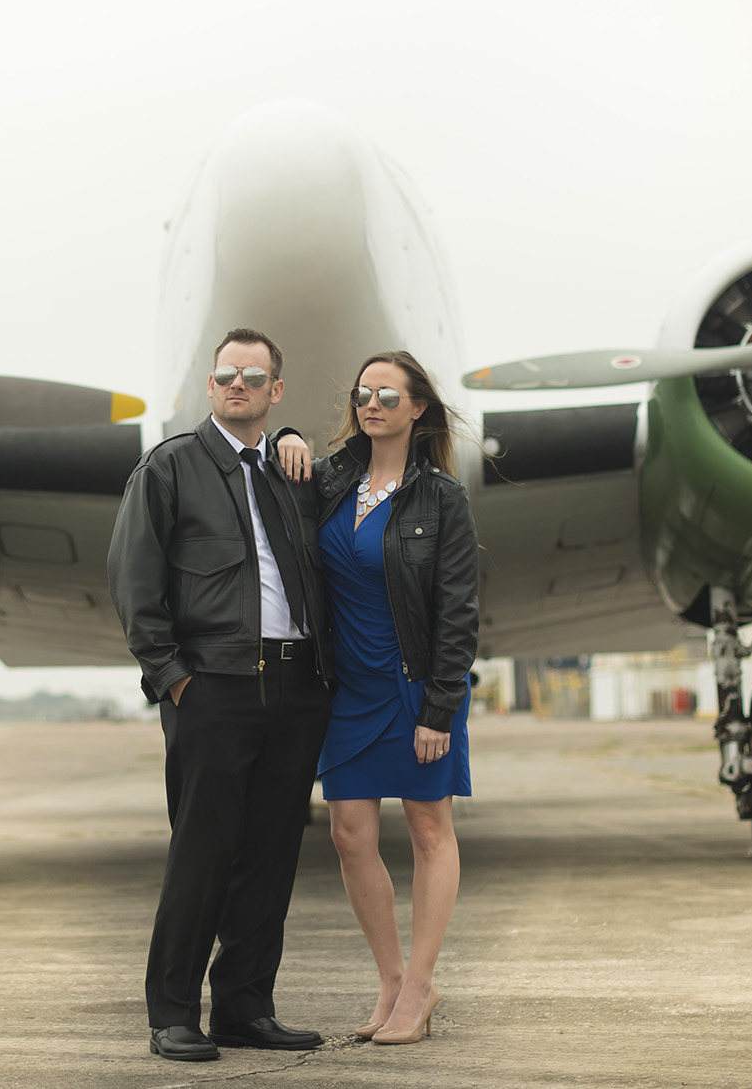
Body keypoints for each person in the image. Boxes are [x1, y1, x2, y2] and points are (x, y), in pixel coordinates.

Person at [107, 328, 333, 1063]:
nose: (238, 384)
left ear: (275, 391)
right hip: (213, 686)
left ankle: (244, 1006)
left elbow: (378, 467)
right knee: (202, 851)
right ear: (210, 386)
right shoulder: (169, 468)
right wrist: (172, 678)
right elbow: (134, 580)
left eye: (254, 377)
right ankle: (173, 1011)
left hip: (296, 686)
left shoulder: (296, 474)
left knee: (270, 853)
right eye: (227, 374)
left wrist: (295, 438)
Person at [275, 349, 478, 1045]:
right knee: (349, 833)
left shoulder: (442, 497)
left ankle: (420, 986)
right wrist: (284, 436)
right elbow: (278, 468)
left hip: (416, 683)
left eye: (388, 396)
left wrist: (440, 707)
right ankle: (390, 978)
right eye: (364, 394)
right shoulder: (334, 479)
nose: (372, 405)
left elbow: (459, 611)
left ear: (418, 408)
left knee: (428, 830)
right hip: (350, 689)